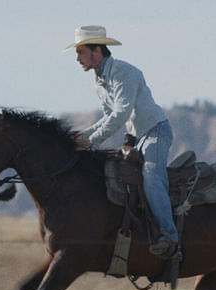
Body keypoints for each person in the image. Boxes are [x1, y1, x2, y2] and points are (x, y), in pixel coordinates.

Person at [64, 25, 178, 257]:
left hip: (156, 132)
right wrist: (80, 137)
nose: (77, 58)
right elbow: (109, 117)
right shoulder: (99, 81)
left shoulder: (123, 72)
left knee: (151, 176)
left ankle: (169, 236)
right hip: (138, 137)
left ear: (97, 51)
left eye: (81, 52)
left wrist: (92, 141)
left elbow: (121, 114)